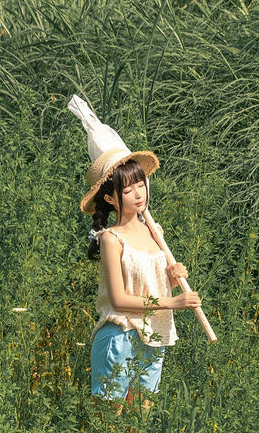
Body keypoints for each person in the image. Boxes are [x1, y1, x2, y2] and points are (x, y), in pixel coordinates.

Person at [68, 95, 199, 412]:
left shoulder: (155, 232)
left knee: (141, 423)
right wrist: (174, 302)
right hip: (120, 337)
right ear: (111, 198)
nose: (138, 193)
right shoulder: (111, 239)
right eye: (128, 189)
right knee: (108, 426)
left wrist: (171, 275)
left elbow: (151, 278)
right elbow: (120, 300)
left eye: (140, 184)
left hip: (154, 336)